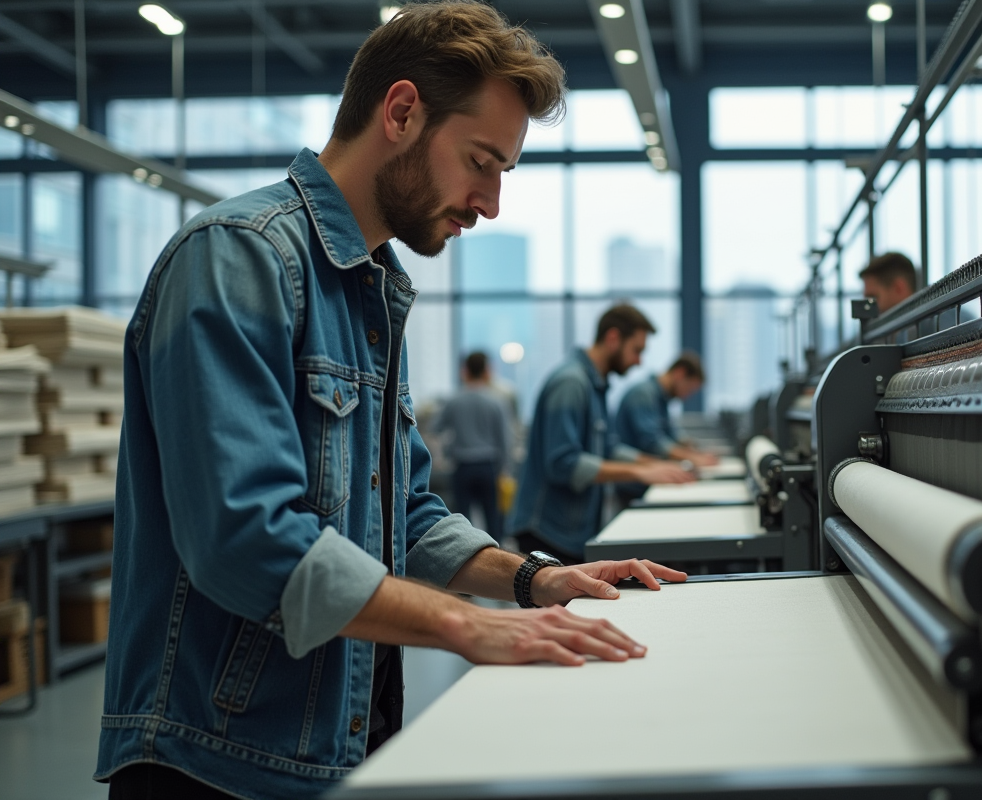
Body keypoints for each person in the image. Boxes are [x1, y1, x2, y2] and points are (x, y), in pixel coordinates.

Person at [97, 5, 686, 800]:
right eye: (483, 161)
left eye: (503, 173)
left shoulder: (374, 293)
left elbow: (403, 511)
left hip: (342, 745)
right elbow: (243, 538)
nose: (490, 203)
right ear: (403, 112)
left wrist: (534, 581)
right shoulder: (241, 258)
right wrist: (469, 627)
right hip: (222, 761)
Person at [508, 304, 696, 565]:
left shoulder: (595, 385)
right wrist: (637, 472)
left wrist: (655, 465)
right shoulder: (571, 383)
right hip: (547, 532)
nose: (639, 361)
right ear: (613, 338)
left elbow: (607, 446)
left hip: (571, 529)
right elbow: (562, 463)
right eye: (637, 351)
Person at [434, 351, 510, 541]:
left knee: (463, 522)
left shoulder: (453, 401)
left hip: (462, 466)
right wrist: (505, 469)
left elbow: (436, 428)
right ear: (487, 371)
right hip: (488, 465)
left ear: (465, 371)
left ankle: (467, 564)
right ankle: (498, 564)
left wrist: (447, 450)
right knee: (493, 519)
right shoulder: (496, 402)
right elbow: (505, 440)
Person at [615, 352, 719, 467]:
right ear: (680, 373)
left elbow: (672, 435)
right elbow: (653, 443)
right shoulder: (643, 394)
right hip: (633, 479)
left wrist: (696, 451)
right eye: (689, 389)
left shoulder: (662, 399)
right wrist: (693, 458)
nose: (687, 396)